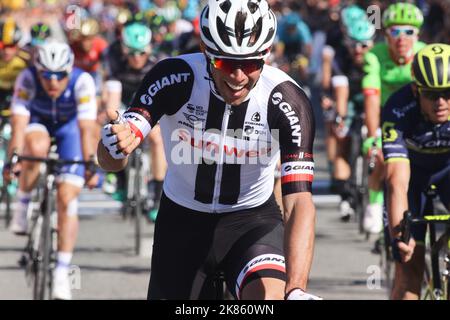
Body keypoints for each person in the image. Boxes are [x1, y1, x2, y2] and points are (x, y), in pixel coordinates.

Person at [98, 0, 319, 300]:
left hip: (251, 221)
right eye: (226, 63)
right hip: (182, 221)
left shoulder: (286, 99)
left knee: (268, 299)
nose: (238, 76)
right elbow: (111, 161)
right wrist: (113, 146)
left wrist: (296, 289)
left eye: (251, 64)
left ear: (266, 56)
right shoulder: (174, 77)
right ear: (206, 53)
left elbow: (298, 202)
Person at [5, 41, 99, 300]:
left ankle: (61, 271)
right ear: (38, 71)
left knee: (67, 198)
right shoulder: (27, 79)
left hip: (70, 129)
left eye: (60, 75)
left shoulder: (83, 82)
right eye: (47, 75)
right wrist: (13, 158)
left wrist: (91, 162)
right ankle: (22, 204)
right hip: (38, 124)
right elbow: (19, 123)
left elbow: (86, 128)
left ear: (70, 70)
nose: (53, 82)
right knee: (35, 147)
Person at [382, 43, 450, 300]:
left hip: (447, 172)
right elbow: (396, 180)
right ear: (415, 90)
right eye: (432, 94)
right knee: (409, 275)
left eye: (448, 93)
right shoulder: (398, 108)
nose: (441, 102)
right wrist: (401, 236)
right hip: (412, 179)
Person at [362, 2, 426, 234]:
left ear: (417, 35)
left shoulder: (423, 53)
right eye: (395, 31)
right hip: (383, 117)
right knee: (380, 155)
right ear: (386, 34)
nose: (402, 38)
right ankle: (375, 199)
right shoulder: (375, 56)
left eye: (408, 31)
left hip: (417, 119)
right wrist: (372, 136)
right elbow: (371, 97)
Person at [103, 21, 165, 220]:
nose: (137, 58)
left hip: (150, 101)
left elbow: (166, 98)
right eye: (131, 53)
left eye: (141, 53)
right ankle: (119, 177)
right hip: (122, 96)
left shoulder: (159, 61)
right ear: (123, 50)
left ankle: (157, 192)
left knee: (156, 137)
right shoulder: (112, 56)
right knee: (111, 121)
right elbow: (111, 96)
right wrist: (114, 118)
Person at [325, 18, 375, 221]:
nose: (358, 50)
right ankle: (345, 192)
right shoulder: (340, 60)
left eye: (364, 45)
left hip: (372, 95)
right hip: (348, 97)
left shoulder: (376, 57)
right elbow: (341, 93)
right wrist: (341, 118)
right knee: (342, 135)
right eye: (353, 44)